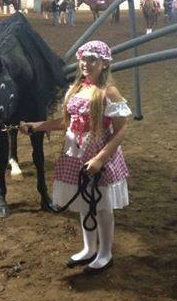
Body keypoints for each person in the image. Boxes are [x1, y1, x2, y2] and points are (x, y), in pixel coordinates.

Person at [20, 41, 131, 273]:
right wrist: (36, 126)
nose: (86, 64)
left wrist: (101, 158)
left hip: (97, 154)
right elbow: (67, 123)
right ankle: (89, 248)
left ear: (104, 63)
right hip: (75, 153)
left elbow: (121, 129)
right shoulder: (78, 89)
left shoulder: (108, 92)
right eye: (83, 59)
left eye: (92, 60)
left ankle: (105, 252)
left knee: (100, 206)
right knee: (85, 202)